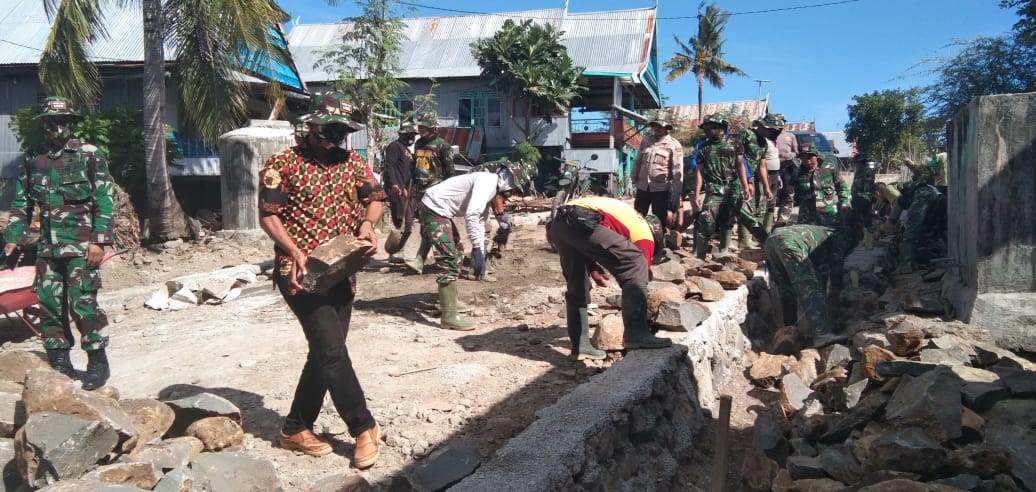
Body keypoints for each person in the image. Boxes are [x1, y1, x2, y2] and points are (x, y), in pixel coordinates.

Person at [258, 92, 383, 468]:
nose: (337, 138)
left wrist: (367, 224)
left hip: (342, 270)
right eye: (330, 130)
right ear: (311, 127)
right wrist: (294, 251)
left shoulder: (353, 162)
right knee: (331, 350)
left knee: (326, 351)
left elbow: (374, 198)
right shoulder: (283, 163)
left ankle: (296, 427)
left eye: (343, 132)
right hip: (299, 275)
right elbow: (268, 216)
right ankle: (363, 427)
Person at [3, 96, 114, 391]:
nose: (57, 127)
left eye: (63, 121)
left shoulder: (89, 155)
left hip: (81, 248)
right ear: (43, 124)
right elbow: (21, 204)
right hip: (48, 250)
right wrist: (13, 240)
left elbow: (104, 200)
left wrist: (99, 241)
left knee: (83, 304)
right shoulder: (33, 159)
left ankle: (97, 362)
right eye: (52, 122)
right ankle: (60, 362)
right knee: (49, 306)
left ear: (72, 123)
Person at [546, 196, 671, 359]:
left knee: (578, 284)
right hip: (581, 219)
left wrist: (591, 266)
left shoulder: (629, 218)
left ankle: (581, 346)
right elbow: (639, 269)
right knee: (634, 261)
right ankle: (637, 334)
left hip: (559, 223)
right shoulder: (646, 235)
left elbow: (587, 241)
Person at [417, 168, 516, 330]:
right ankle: (449, 315)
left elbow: (481, 220)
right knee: (448, 257)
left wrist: (480, 254)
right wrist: (476, 249)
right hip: (433, 208)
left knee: (457, 252)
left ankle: (451, 302)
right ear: (508, 181)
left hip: (440, 210)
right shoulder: (487, 183)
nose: (513, 192)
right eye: (514, 188)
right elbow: (471, 214)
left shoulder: (490, 186)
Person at [691, 114, 767, 259]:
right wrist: (696, 194)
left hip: (733, 187)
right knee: (706, 220)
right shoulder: (703, 147)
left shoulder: (734, 144)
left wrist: (745, 186)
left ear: (721, 128)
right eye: (705, 128)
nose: (707, 130)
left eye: (710, 127)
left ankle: (769, 245)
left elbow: (740, 166)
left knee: (748, 218)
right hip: (714, 188)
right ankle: (699, 258)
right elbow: (699, 173)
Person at [764, 224, 848, 349]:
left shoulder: (820, 233)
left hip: (771, 241)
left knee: (786, 289)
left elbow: (820, 271)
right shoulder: (835, 238)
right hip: (790, 243)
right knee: (810, 287)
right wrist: (835, 294)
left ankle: (790, 333)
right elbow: (834, 269)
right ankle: (822, 334)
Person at [404, 112, 456, 274]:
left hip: (436, 192)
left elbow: (450, 173)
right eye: (419, 126)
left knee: (433, 225)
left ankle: (423, 258)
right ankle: (424, 258)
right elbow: (415, 167)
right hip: (420, 191)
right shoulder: (419, 144)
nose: (420, 129)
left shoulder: (443, 146)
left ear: (432, 127)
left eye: (423, 126)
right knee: (426, 225)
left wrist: (448, 194)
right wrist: (410, 187)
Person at [632, 117, 684, 239]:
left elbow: (677, 169)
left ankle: (658, 243)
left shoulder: (674, 144)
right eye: (654, 126)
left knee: (659, 219)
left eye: (660, 126)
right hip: (643, 186)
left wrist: (677, 191)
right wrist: (634, 177)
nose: (656, 128)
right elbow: (638, 161)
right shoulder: (646, 141)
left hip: (661, 188)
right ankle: (638, 239)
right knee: (638, 215)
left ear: (667, 129)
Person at [779, 144, 850, 228]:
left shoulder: (830, 168)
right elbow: (789, 199)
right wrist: (782, 220)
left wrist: (845, 203)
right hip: (806, 219)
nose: (807, 161)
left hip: (829, 216)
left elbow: (842, 187)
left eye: (810, 157)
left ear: (817, 156)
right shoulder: (796, 174)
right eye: (803, 158)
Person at [381, 121, 418, 262]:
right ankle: (395, 252)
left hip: (408, 192)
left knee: (407, 223)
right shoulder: (394, 147)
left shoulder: (408, 151)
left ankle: (398, 251)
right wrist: (395, 185)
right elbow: (389, 166)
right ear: (402, 134)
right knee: (400, 221)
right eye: (410, 135)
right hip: (398, 191)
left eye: (413, 135)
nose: (412, 138)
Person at [774, 121, 799, 227]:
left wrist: (789, 155)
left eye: (782, 122)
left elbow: (796, 152)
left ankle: (781, 220)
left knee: (787, 193)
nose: (781, 125)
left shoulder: (790, 135)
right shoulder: (772, 136)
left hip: (787, 167)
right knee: (773, 194)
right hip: (773, 167)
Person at [848, 155, 877, 248]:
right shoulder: (859, 171)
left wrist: (864, 199)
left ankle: (869, 241)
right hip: (856, 198)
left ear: (861, 162)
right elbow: (855, 185)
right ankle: (859, 239)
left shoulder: (867, 171)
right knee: (857, 220)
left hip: (863, 199)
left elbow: (868, 187)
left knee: (866, 219)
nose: (855, 164)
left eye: (856, 162)